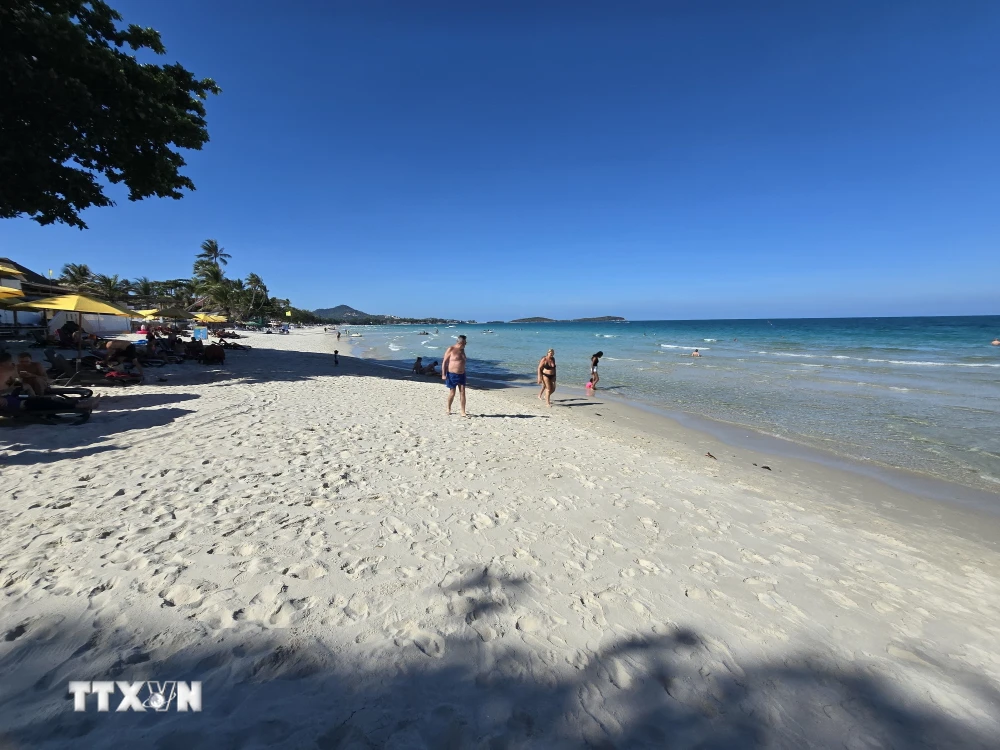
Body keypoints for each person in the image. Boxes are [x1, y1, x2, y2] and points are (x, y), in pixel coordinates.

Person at [442, 334, 468, 416]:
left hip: (462, 374)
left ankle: (463, 411)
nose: (466, 344)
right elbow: (444, 362)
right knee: (452, 393)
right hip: (452, 374)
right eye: (465, 342)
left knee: (463, 392)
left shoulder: (462, 350)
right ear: (461, 342)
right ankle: (448, 408)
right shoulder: (451, 349)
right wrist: (443, 374)